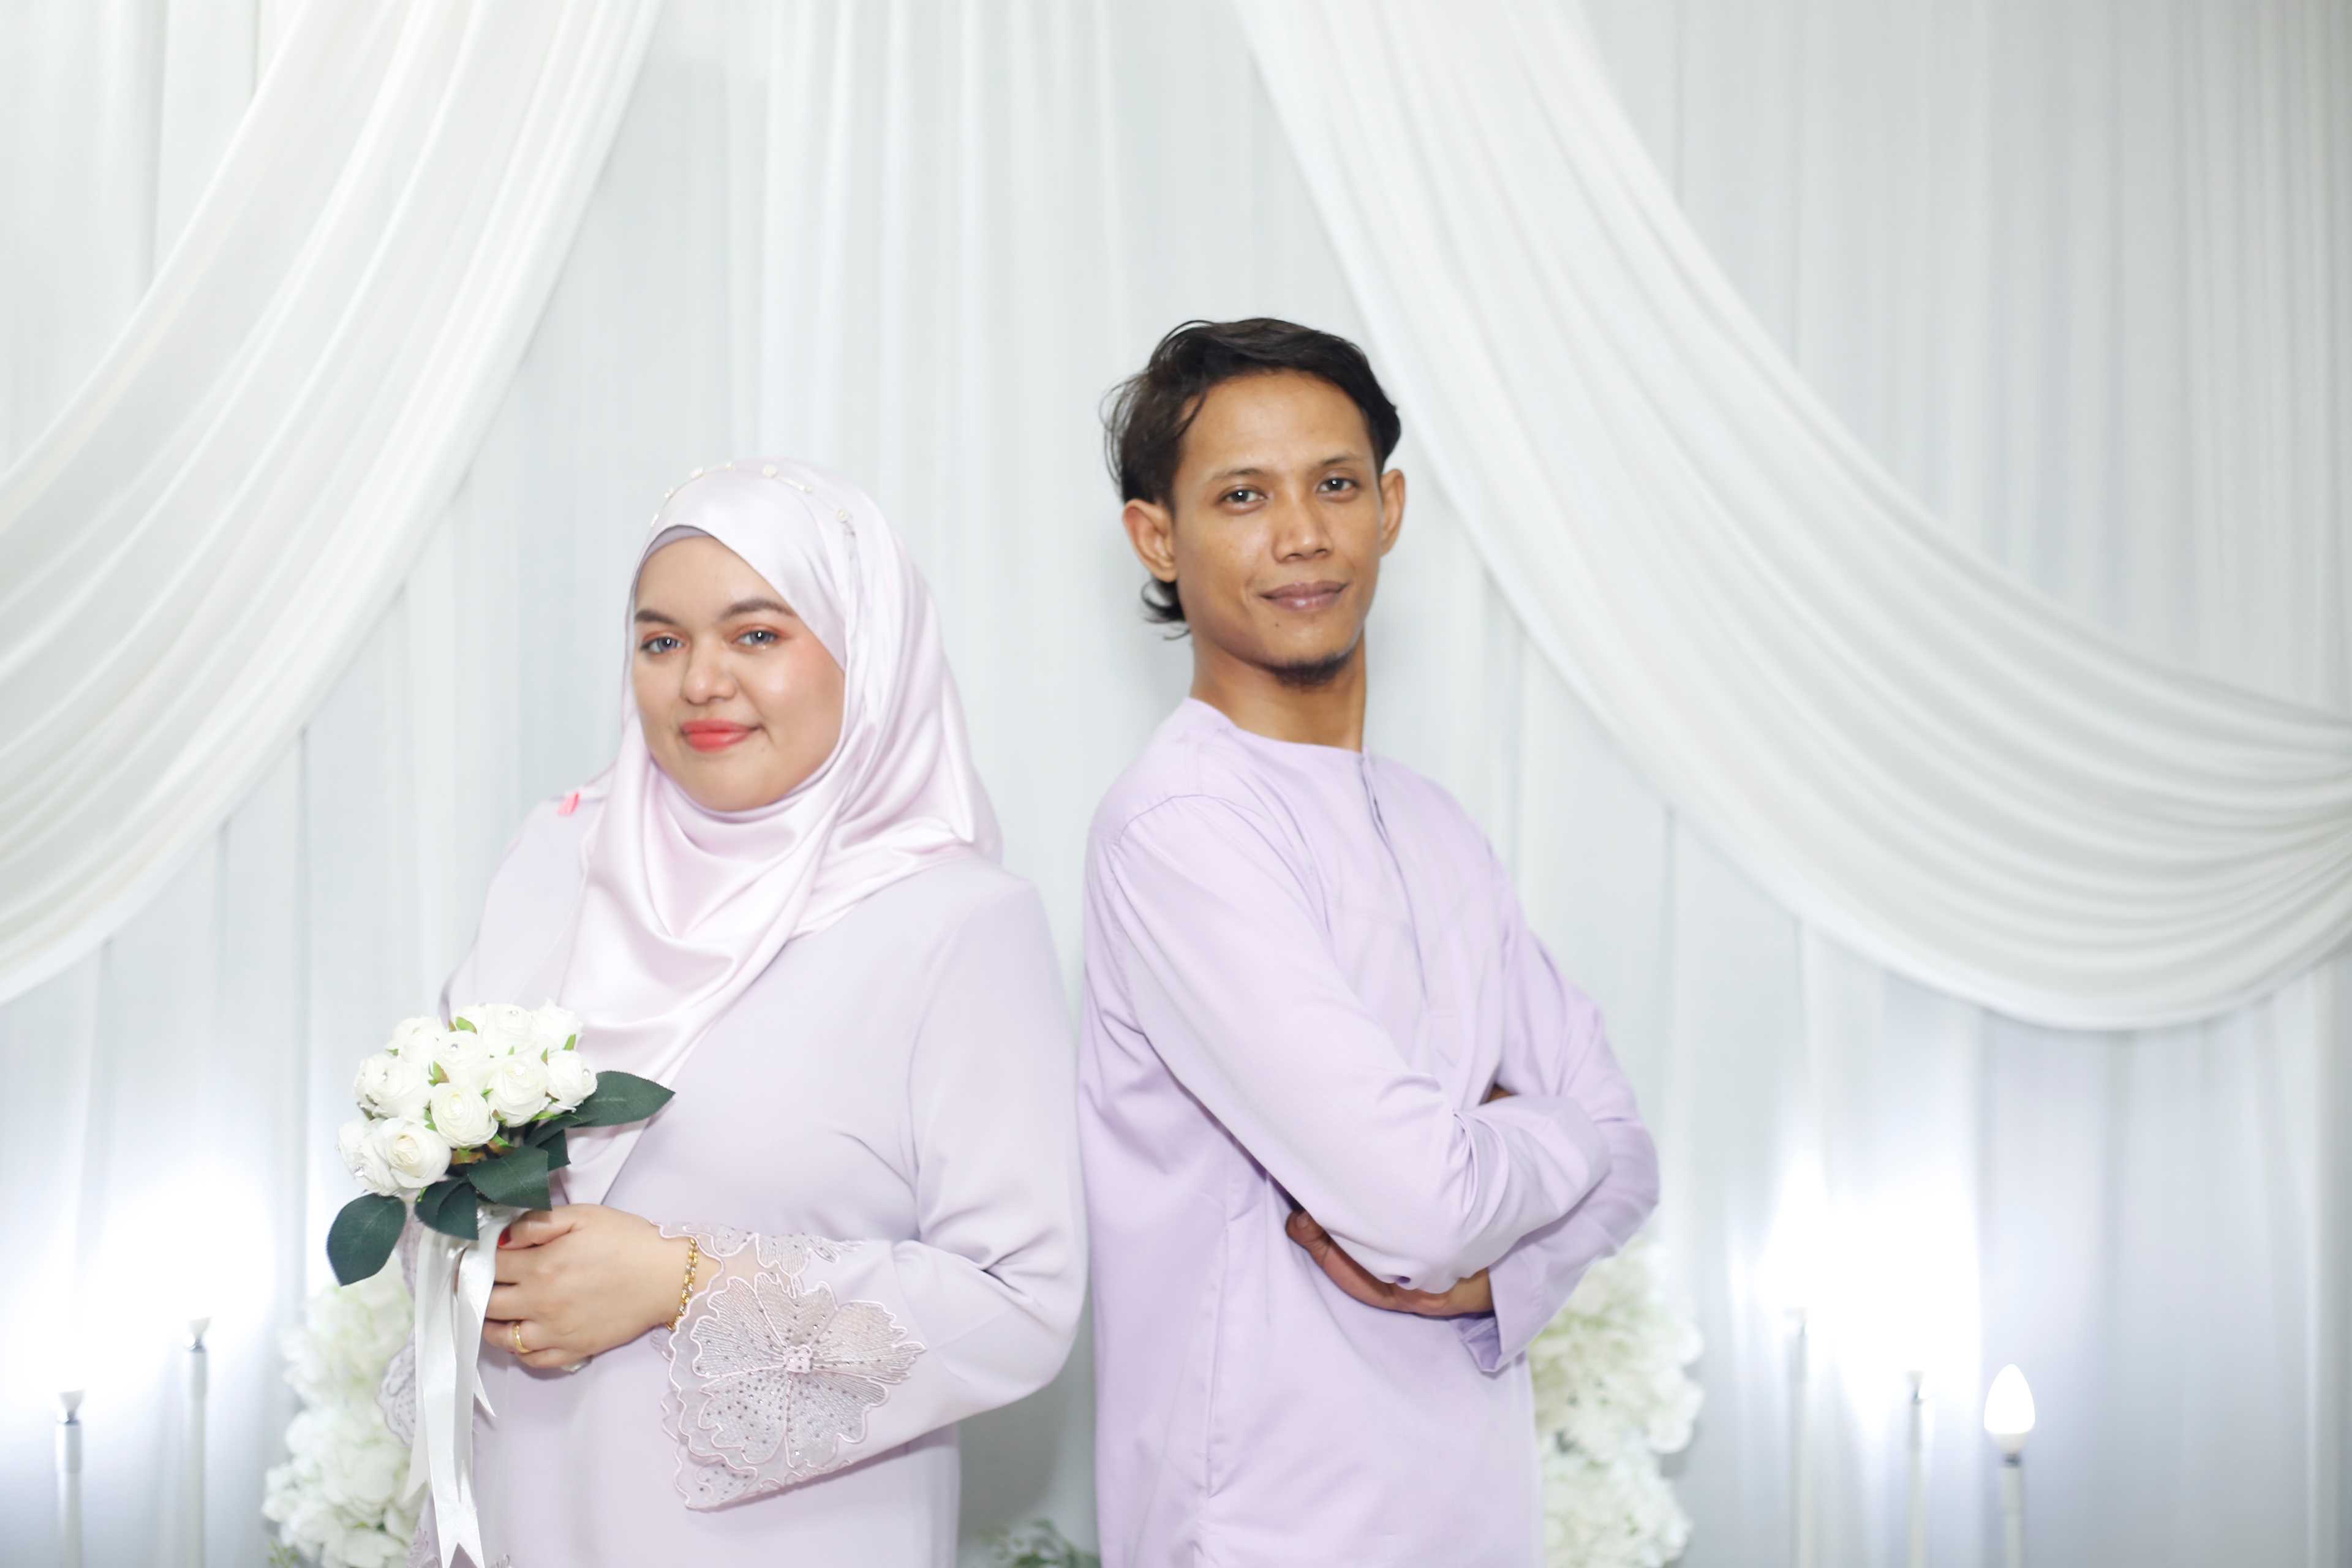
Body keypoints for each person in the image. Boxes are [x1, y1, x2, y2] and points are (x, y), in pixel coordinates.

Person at [394, 459, 1084, 1567]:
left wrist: (677, 1281)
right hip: (521, 1509)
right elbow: (432, 1156)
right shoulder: (557, 861)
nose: (701, 681)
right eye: (661, 641)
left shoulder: (956, 924)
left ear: (866, 648)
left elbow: (1021, 1304)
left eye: (757, 634)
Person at [1080, 319, 1659, 1566]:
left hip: (1474, 1520)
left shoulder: (1440, 827)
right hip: (1262, 1526)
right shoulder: (1182, 824)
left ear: (1389, 509)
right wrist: (1553, 1134)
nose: (1303, 534)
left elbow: (1632, 1159)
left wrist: (1507, 1263)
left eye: (1336, 484)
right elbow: (1428, 1206)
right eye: (1244, 496)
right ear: (1158, 538)